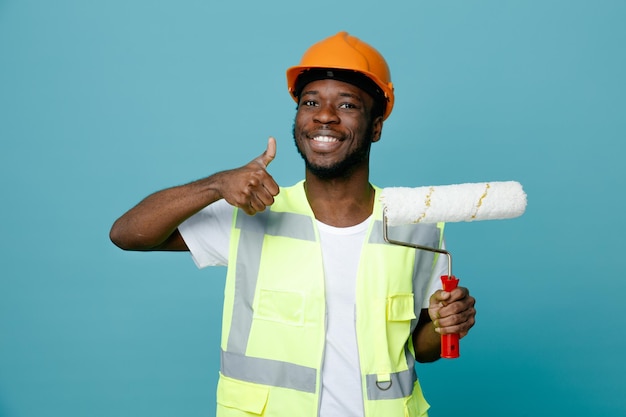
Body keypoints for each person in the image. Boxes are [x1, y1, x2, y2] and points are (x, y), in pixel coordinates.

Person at [110, 31, 476, 417]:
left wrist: (445, 323)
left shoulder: (415, 224)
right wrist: (216, 184)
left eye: (347, 104)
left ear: (376, 126)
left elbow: (421, 349)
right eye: (311, 102)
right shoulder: (252, 212)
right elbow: (127, 233)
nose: (324, 115)